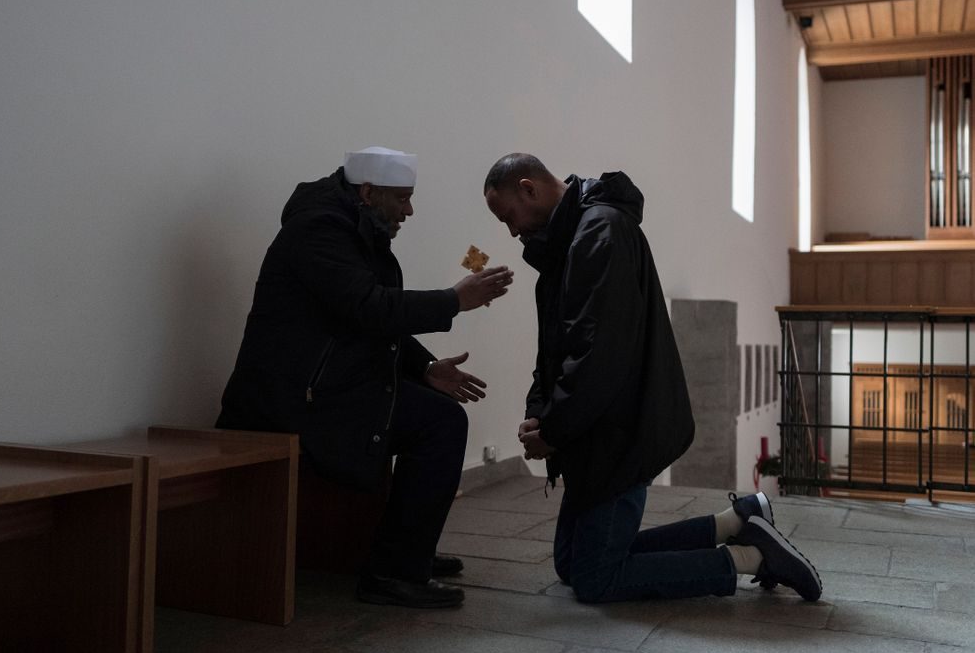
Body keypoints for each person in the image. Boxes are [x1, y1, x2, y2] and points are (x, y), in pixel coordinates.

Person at [482, 153, 821, 603]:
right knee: (573, 564)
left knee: (596, 579)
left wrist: (555, 429)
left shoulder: (599, 232)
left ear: (529, 189)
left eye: (509, 216)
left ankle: (753, 559)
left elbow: (598, 357)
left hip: (618, 432)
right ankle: (734, 524)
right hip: (595, 432)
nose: (511, 231)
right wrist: (537, 415)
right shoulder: (566, 244)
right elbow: (555, 348)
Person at [217, 146, 514, 609]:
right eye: (402, 198)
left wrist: (425, 368)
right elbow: (368, 308)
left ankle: (405, 551)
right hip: (291, 400)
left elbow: (366, 318)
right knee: (440, 424)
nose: (409, 210)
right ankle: (393, 571)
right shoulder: (318, 230)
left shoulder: (351, 227)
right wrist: (453, 300)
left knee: (435, 413)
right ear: (369, 191)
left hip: (325, 389)